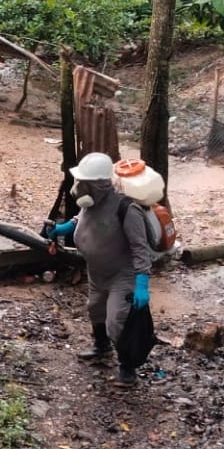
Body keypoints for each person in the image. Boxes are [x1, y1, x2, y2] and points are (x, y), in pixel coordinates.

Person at [47, 152, 152, 387]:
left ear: (100, 184)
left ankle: (127, 368)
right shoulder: (91, 202)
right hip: (97, 272)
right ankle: (101, 347)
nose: (79, 187)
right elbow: (82, 218)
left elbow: (140, 248)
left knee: (117, 320)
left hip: (122, 275)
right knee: (95, 309)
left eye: (84, 182)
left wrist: (142, 283)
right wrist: (65, 227)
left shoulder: (127, 209)